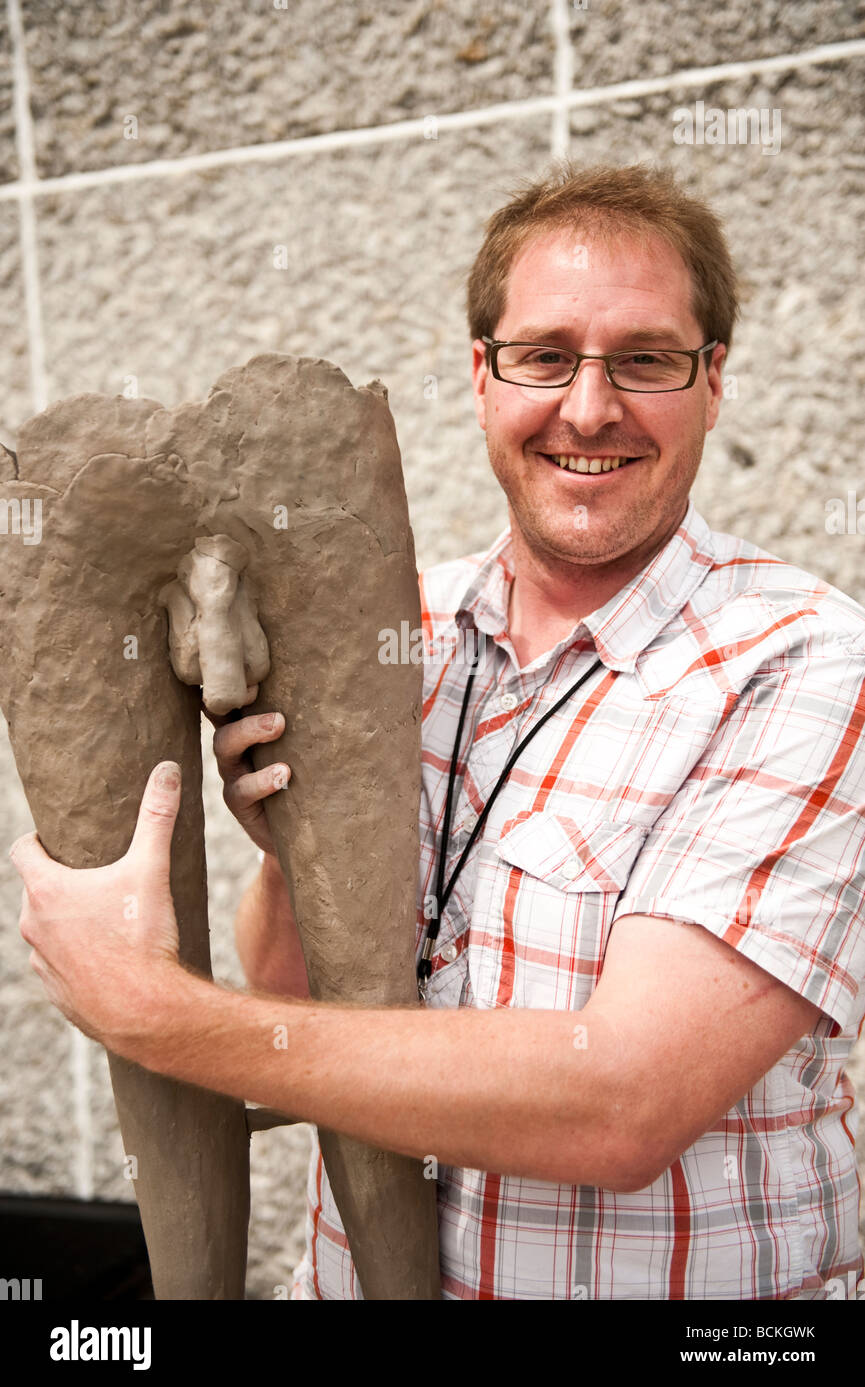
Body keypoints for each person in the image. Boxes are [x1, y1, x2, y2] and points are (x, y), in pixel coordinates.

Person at [12, 163, 865, 1301]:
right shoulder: (400, 628)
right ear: (481, 377)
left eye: (646, 360)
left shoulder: (805, 663)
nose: (588, 406)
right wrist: (287, 858)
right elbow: (302, 1008)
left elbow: (620, 1103)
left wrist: (153, 1011)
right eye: (544, 354)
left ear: (714, 382)